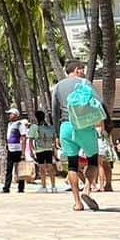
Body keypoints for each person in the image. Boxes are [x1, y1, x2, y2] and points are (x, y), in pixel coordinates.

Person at [52, 59, 99, 211]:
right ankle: (87, 189)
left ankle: (77, 203)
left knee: (72, 165)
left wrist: (56, 133)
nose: (83, 72)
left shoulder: (58, 86)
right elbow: (99, 102)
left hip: (65, 126)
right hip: (84, 125)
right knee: (92, 161)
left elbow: (55, 111)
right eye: (82, 69)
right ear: (77, 70)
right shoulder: (85, 83)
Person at [27, 108, 57, 193]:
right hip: (49, 149)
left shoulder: (34, 127)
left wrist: (31, 151)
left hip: (39, 150)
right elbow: (53, 139)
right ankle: (53, 186)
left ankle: (44, 187)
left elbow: (31, 140)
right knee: (50, 168)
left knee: (42, 168)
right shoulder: (49, 127)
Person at [1, 107, 28, 193]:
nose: (9, 115)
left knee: (20, 169)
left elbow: (23, 138)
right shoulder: (9, 124)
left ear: (15, 115)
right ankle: (6, 187)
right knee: (9, 169)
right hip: (10, 149)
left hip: (18, 149)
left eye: (10, 114)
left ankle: (21, 188)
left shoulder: (20, 124)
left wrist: (23, 152)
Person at [96, 122, 116, 193]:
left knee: (100, 165)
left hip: (99, 145)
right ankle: (108, 184)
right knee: (107, 165)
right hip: (106, 145)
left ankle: (101, 186)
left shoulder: (98, 128)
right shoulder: (107, 128)